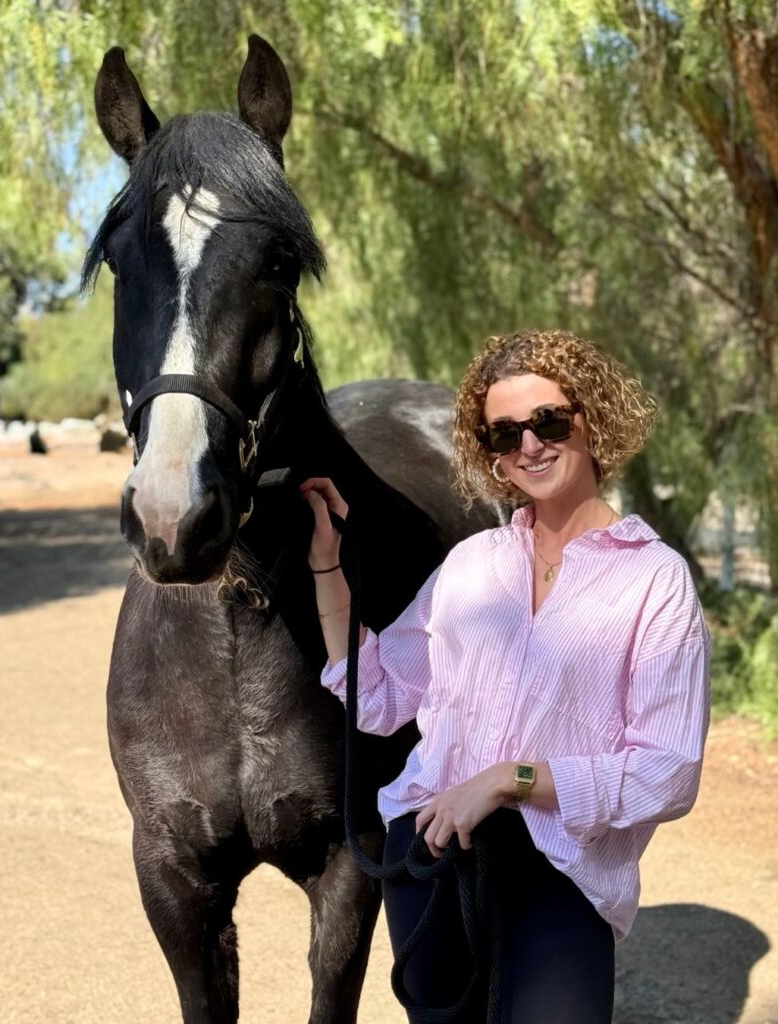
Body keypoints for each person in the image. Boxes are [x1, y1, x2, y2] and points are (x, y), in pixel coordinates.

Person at [299, 329, 712, 1023]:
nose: (528, 445)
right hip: (429, 848)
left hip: (561, 866)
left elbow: (666, 773)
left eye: (547, 421)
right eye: (503, 433)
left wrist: (505, 779)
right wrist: (326, 566)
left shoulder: (654, 579)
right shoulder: (470, 564)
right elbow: (373, 695)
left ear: (593, 419)